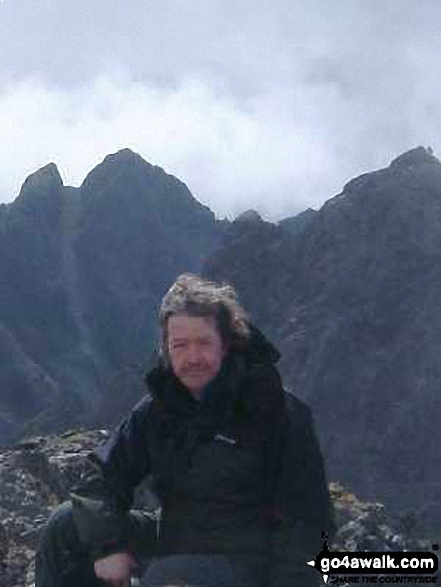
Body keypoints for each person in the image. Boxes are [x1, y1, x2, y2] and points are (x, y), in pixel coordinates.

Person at [35, 273, 335, 587]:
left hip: (248, 561)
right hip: (176, 538)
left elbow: (308, 520)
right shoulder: (159, 408)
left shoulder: (275, 411)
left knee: (169, 577)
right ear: (166, 348)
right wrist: (107, 547)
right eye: (180, 345)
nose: (193, 357)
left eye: (204, 343)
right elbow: (103, 477)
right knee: (65, 525)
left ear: (226, 345)